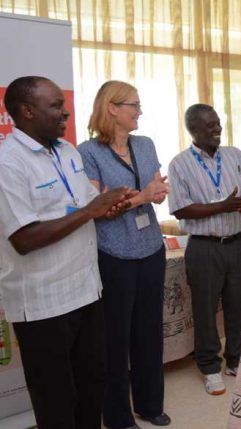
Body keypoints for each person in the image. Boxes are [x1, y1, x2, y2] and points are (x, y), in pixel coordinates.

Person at [0, 76, 130, 429]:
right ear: (27, 111)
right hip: (43, 304)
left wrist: (107, 206)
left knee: (92, 386)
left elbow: (83, 205)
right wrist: (90, 210)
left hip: (86, 291)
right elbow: (24, 238)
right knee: (56, 398)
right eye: (55, 105)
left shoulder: (68, 151)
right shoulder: (8, 163)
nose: (66, 111)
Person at [77, 81, 171, 429]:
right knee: (114, 338)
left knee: (149, 332)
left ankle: (150, 404)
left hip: (150, 250)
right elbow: (98, 209)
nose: (140, 112)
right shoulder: (87, 153)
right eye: (134, 105)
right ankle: (117, 416)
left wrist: (155, 193)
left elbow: (153, 187)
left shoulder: (145, 145)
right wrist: (142, 197)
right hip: (113, 254)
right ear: (112, 108)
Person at [168, 104, 241, 395]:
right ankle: (209, 367)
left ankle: (236, 359)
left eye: (218, 124)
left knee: (238, 305)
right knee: (205, 310)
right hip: (205, 248)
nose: (217, 129)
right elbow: (180, 210)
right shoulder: (179, 164)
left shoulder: (234, 155)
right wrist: (222, 206)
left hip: (239, 242)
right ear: (194, 129)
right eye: (210, 126)